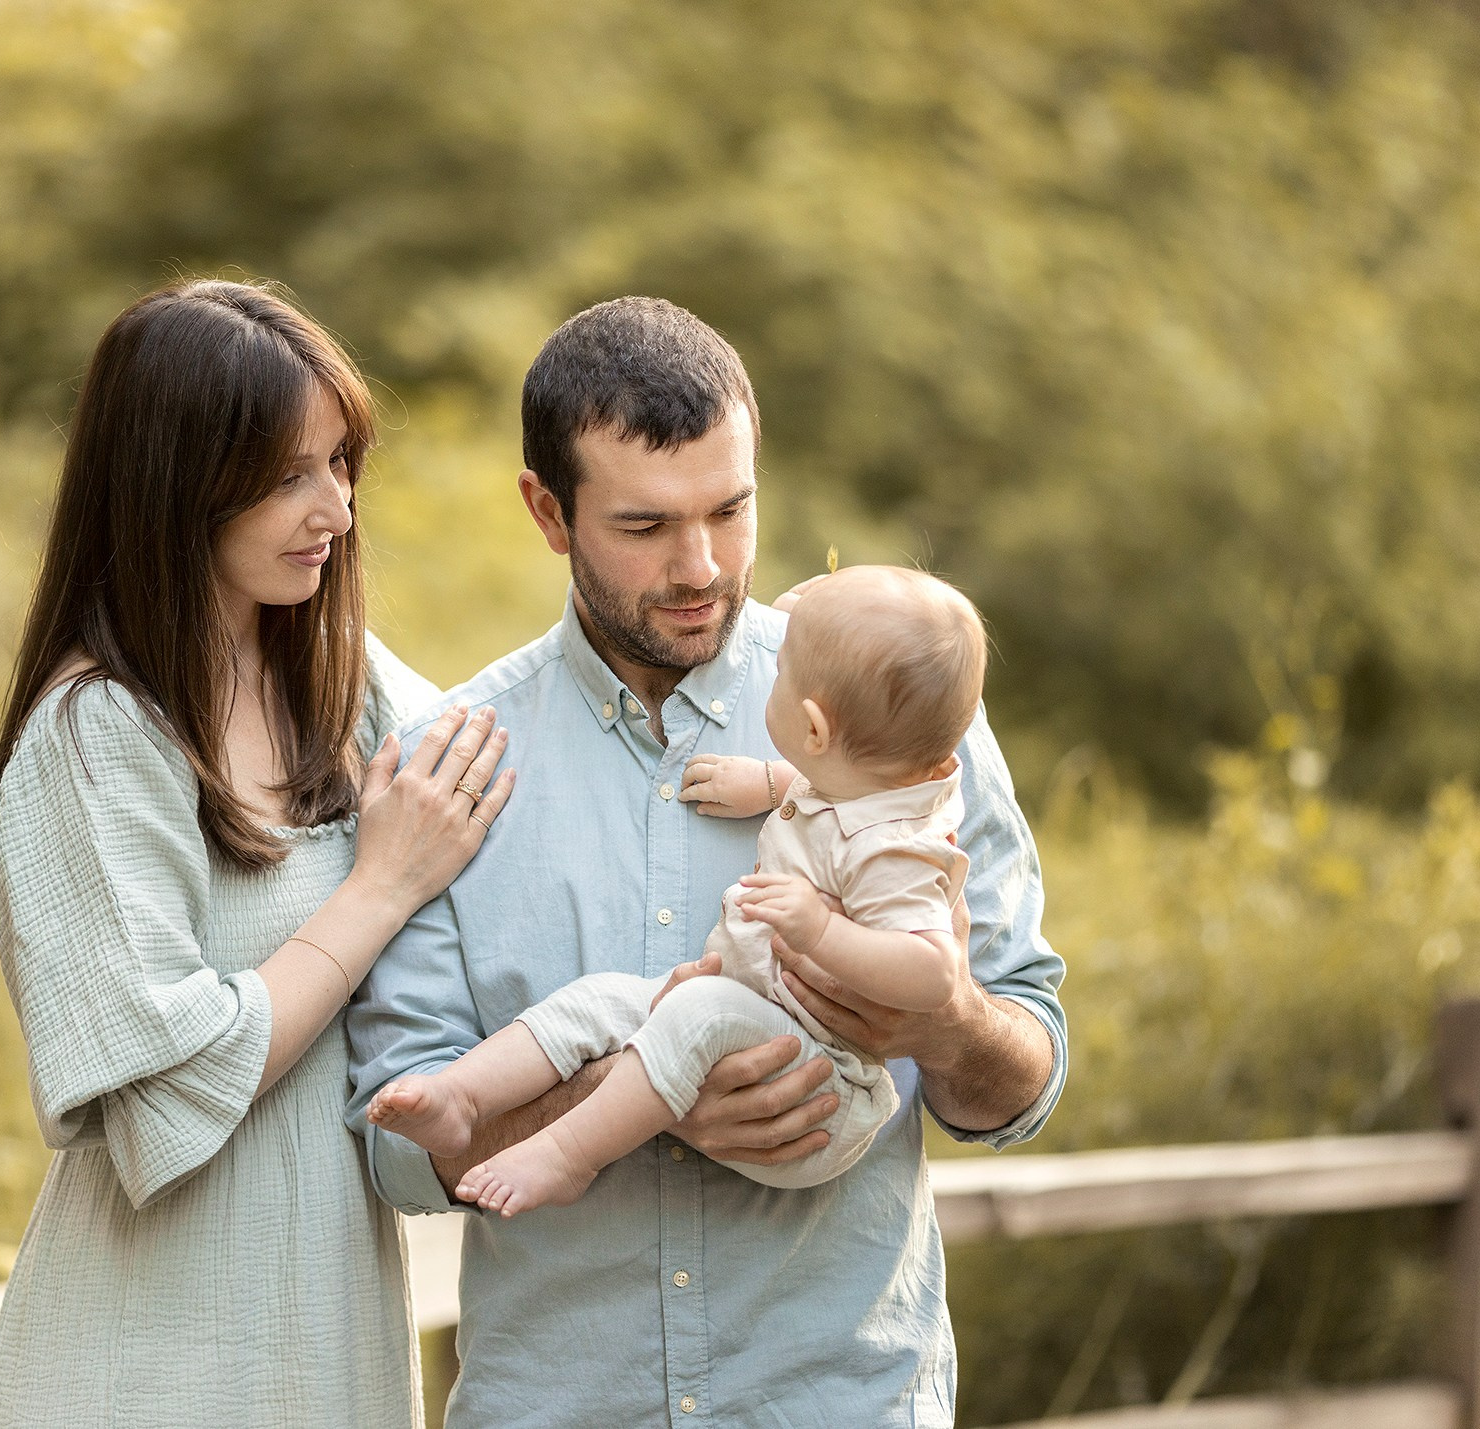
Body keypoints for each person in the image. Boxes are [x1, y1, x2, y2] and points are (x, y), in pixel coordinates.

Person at [346, 296, 1066, 1427]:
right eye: (643, 527)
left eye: (729, 512)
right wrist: (655, 1095)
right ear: (547, 511)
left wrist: (929, 1016)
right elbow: (394, 1145)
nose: (699, 566)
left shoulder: (900, 715)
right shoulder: (453, 768)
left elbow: (1022, 1075)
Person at [0, 279, 512, 1428]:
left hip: (329, 1344)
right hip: (149, 1363)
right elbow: (164, 1083)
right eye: (287, 476)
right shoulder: (93, 739)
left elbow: (514, 789)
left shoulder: (338, 678)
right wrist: (376, 888)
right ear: (177, 483)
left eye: (340, 463)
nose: (334, 508)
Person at [366, 566, 985, 1215]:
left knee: (699, 1010)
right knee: (604, 999)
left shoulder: (898, 852)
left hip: (816, 1091)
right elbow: (826, 781)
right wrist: (766, 784)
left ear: (813, 730)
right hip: (759, 1013)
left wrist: (821, 929)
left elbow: (935, 973)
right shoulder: (858, 776)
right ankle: (463, 1097)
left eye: (783, 674)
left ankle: (568, 1154)